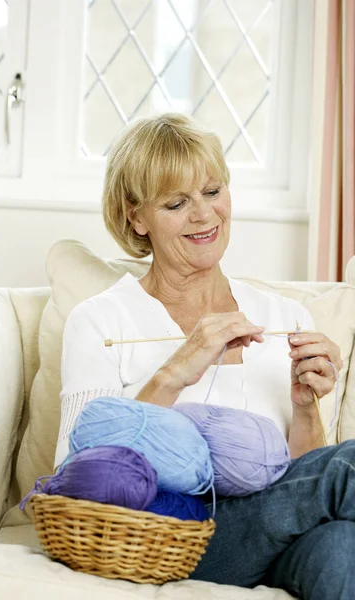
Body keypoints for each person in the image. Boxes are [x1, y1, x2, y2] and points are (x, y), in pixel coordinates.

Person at [55, 114, 349, 599]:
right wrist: (176, 371)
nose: (204, 215)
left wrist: (303, 407)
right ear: (136, 216)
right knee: (345, 471)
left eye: (212, 192)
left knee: (343, 547)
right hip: (182, 538)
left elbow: (304, 477)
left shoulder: (284, 316)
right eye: (176, 203)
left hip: (281, 530)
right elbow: (76, 482)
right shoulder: (101, 322)